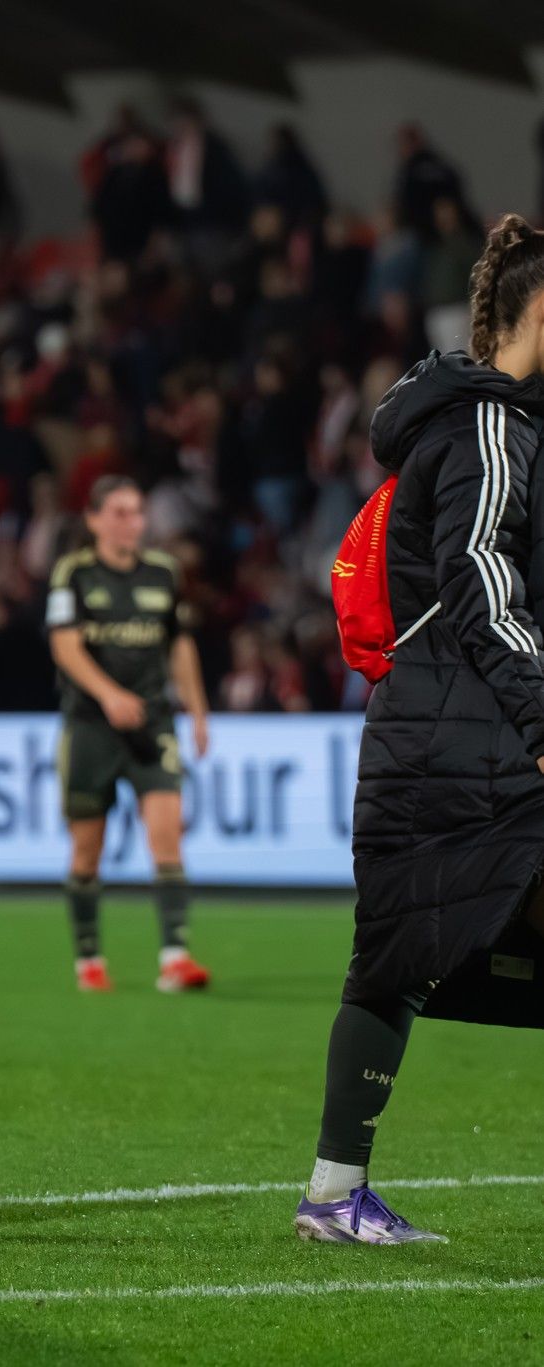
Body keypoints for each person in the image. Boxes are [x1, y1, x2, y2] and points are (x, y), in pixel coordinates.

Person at [295, 216, 544, 1244]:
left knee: (398, 958)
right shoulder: (491, 425)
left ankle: (332, 1192)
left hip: (435, 730)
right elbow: (481, 579)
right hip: (469, 738)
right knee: (399, 958)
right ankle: (330, 1194)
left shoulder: (471, 423)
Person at [46, 476, 213, 993]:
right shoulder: (73, 573)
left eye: (137, 512)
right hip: (91, 728)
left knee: (168, 835)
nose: (130, 523)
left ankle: (175, 958)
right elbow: (65, 646)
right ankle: (89, 960)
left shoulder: (164, 573)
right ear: (94, 519)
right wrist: (109, 696)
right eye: (118, 512)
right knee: (87, 851)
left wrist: (198, 710)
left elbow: (179, 644)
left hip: (152, 723)